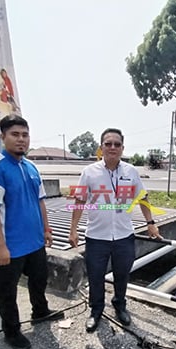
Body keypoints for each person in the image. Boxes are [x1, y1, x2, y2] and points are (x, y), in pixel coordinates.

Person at [0, 114, 64, 349]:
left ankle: (40, 312)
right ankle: (11, 331)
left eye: (25, 135)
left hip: (34, 242)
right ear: (3, 137)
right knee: (7, 292)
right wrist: (1, 247)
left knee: (38, 280)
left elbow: (40, 200)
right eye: (15, 134)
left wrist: (46, 228)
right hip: (8, 246)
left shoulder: (31, 166)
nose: (21, 140)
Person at [68, 127, 162, 332]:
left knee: (122, 274)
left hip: (123, 236)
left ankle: (120, 305)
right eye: (108, 144)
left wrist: (150, 222)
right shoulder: (89, 172)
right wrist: (73, 230)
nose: (112, 147)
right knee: (95, 276)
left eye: (116, 144)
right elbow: (80, 200)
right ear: (101, 148)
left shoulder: (131, 172)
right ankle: (96, 311)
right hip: (96, 237)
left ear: (122, 148)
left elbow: (142, 198)